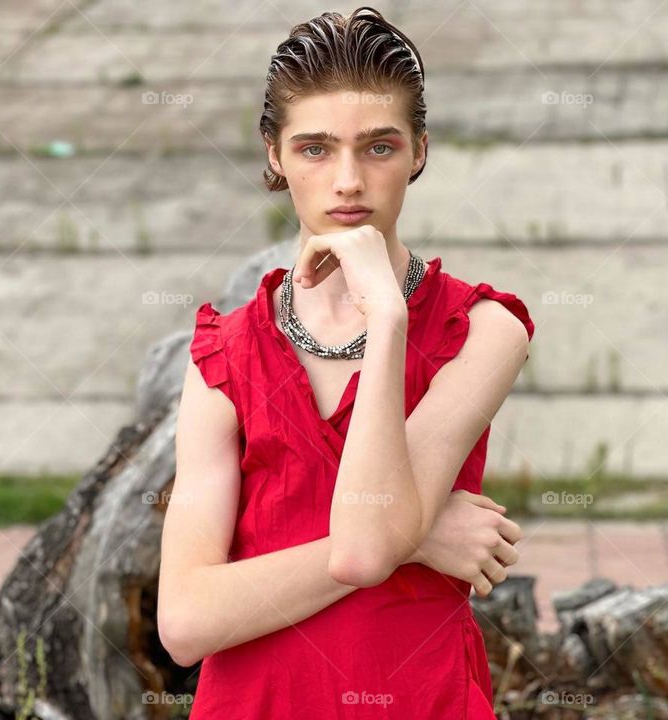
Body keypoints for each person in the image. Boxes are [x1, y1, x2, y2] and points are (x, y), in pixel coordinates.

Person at [158, 7, 535, 718]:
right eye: (315, 149)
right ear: (274, 155)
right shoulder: (223, 357)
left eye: (379, 148)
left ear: (419, 150)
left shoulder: (484, 331)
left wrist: (388, 317)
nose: (348, 181)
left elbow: (367, 550)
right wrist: (421, 536)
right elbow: (184, 621)